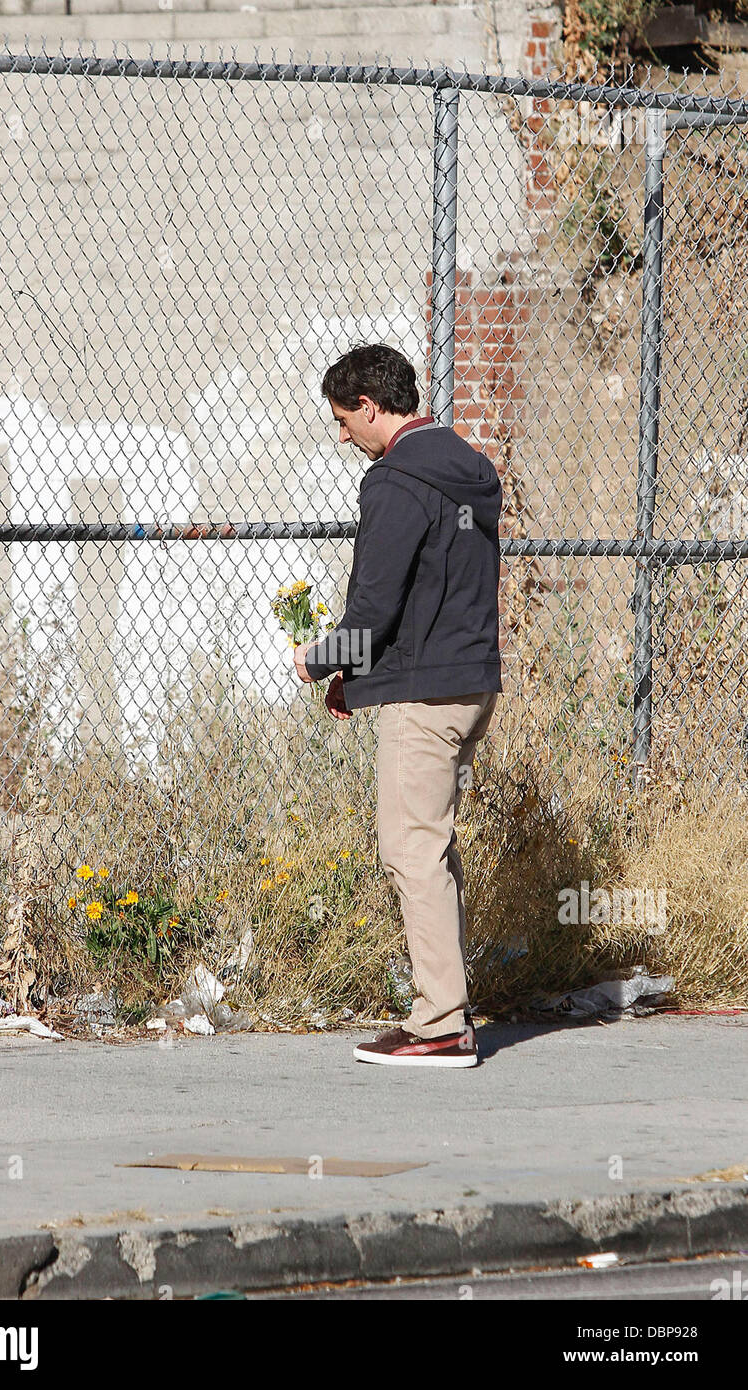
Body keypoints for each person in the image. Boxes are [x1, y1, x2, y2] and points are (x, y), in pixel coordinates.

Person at [292, 343, 502, 1068]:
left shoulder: (392, 482)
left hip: (425, 695)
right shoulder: (467, 466)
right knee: (433, 846)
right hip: (469, 680)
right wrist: (360, 677)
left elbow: (375, 608)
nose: (341, 435)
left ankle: (440, 1023)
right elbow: (433, 594)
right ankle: (448, 1008)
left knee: (410, 850)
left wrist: (320, 659)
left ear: (371, 408)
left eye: (344, 419)